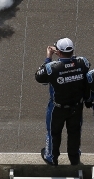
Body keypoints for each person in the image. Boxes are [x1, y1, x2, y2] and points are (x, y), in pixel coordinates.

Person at [34, 37, 90, 166]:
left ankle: (51, 158)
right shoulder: (83, 62)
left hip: (57, 108)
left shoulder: (51, 67)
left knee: (53, 133)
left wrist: (48, 57)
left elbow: (39, 77)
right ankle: (74, 158)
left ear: (58, 52)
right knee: (74, 133)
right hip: (76, 106)